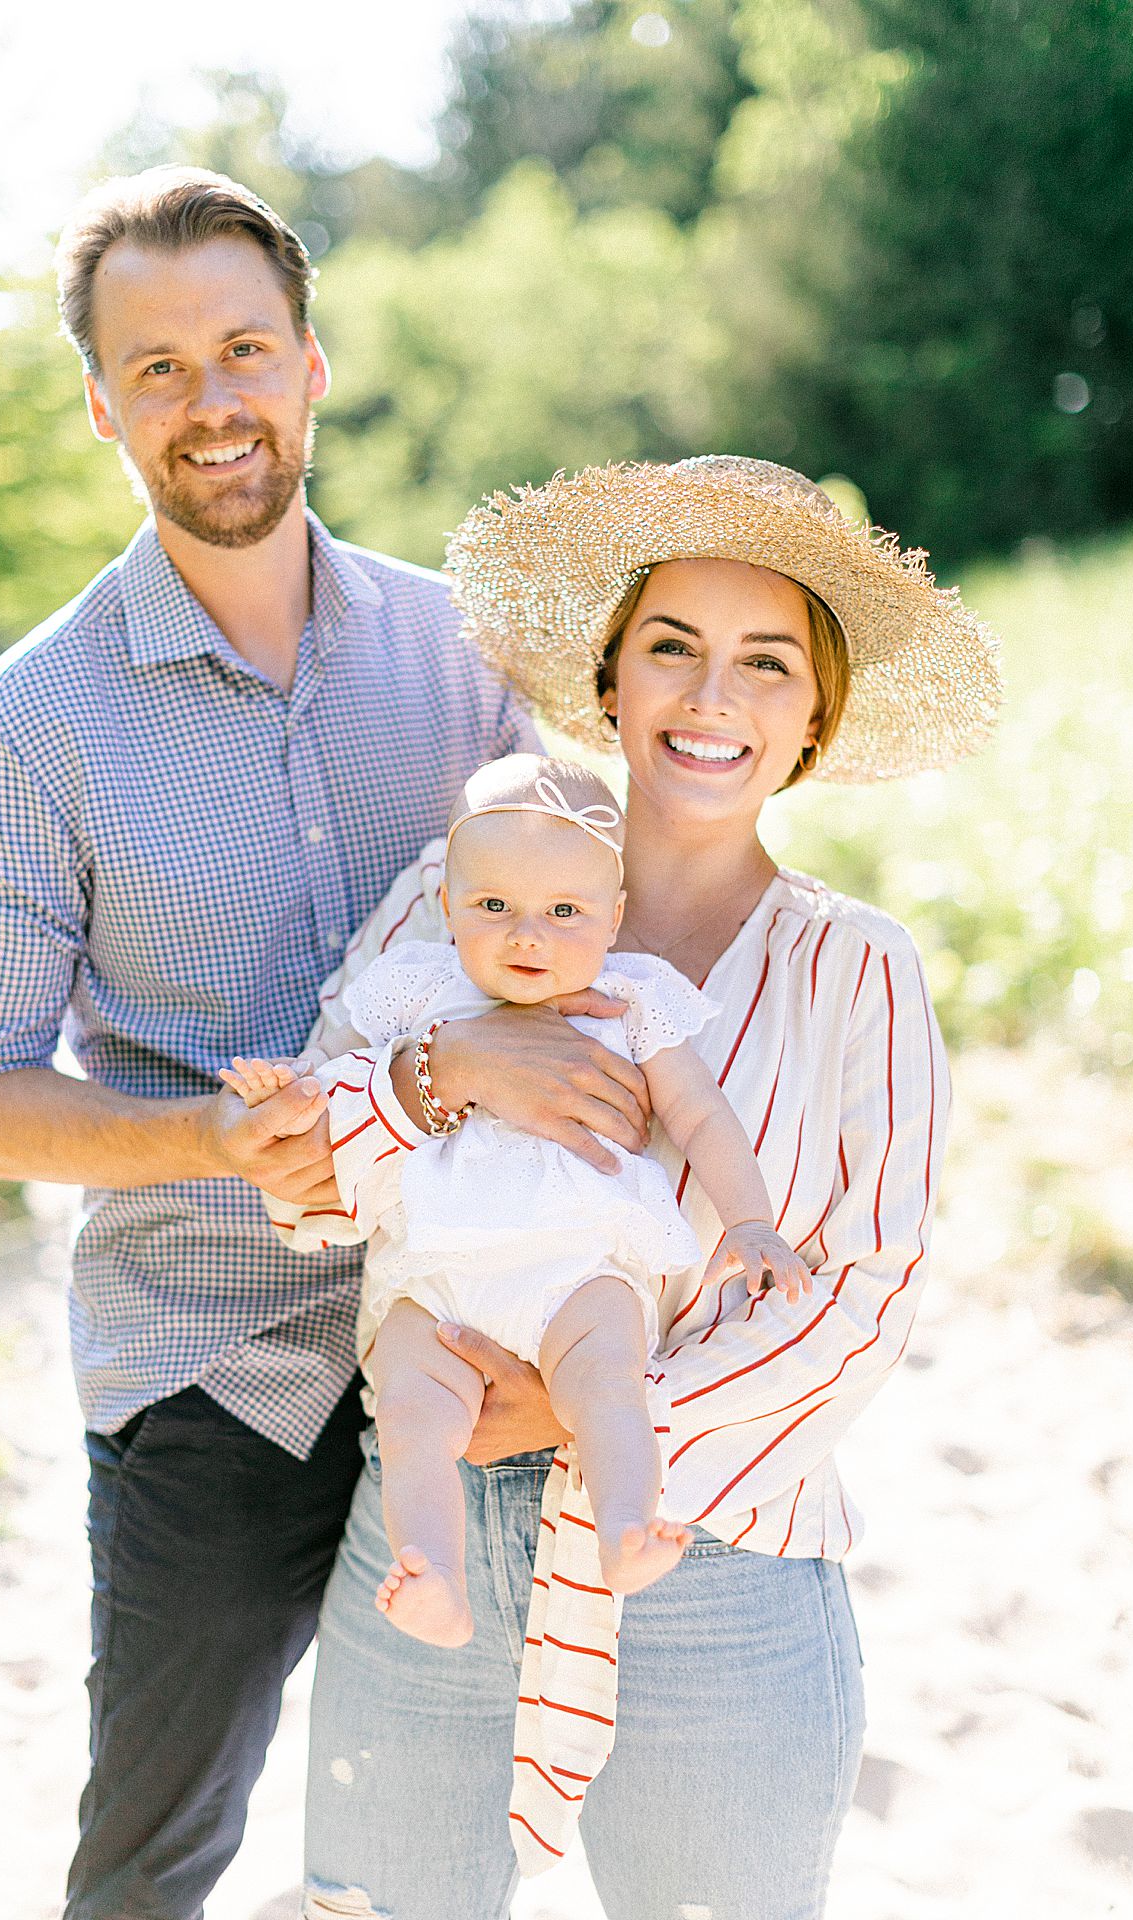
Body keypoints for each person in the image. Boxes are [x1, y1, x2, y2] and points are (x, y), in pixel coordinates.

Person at [0, 165, 548, 1920]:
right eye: (161, 369)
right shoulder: (30, 721)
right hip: (212, 1362)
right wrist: (212, 1142)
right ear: (104, 407)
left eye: (244, 349)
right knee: (152, 1861)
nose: (214, 403)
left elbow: (582, 924)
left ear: (314, 365)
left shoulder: (469, 652)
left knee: (452, 1844)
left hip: (480, 1339)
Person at [266, 455, 1001, 1911]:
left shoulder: (857, 969)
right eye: (672, 648)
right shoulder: (449, 897)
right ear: (612, 683)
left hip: (714, 1560)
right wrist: (445, 1076)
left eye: (765, 665)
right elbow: (297, 1190)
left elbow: (862, 1299)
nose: (710, 698)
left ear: (814, 719)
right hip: (436, 1523)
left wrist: (598, 1419)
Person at [224, 752, 809, 1661]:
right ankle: (433, 1576)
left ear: (613, 918)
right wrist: (289, 1088)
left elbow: (701, 1112)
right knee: (414, 1412)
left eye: (564, 913)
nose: (527, 935)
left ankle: (626, 1527)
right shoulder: (423, 992)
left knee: (607, 1386)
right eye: (494, 907)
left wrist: (749, 1218)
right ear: (450, 906)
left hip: (580, 1263)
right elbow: (343, 1077)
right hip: (438, 1271)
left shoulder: (630, 997)